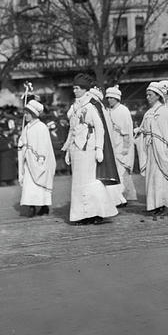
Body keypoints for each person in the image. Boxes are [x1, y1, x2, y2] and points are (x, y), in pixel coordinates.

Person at [61, 77, 118, 226]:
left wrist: (99, 148)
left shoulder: (91, 105)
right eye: (73, 88)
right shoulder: (74, 107)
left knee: (90, 182)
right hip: (76, 149)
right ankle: (82, 215)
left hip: (89, 148)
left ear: (85, 89)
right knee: (78, 183)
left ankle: (97, 213)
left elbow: (100, 128)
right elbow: (72, 130)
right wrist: (68, 149)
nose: (74, 91)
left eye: (77, 88)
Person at [137, 82, 168, 218]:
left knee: (163, 178)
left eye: (150, 95)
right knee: (153, 177)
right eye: (147, 94)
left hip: (162, 151)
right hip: (151, 150)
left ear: (158, 96)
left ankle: (167, 205)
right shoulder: (148, 113)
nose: (147, 97)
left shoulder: (164, 112)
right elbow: (144, 129)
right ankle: (155, 205)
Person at [17, 99, 56, 217]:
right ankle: (31, 206)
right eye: (25, 113)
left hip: (39, 161)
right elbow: (23, 141)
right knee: (29, 186)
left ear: (34, 114)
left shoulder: (41, 127)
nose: (25, 115)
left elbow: (45, 146)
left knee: (40, 185)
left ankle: (44, 206)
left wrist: (40, 158)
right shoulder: (27, 128)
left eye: (28, 113)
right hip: (28, 161)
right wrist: (21, 145)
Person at [104, 85, 137, 205]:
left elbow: (127, 131)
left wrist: (125, 148)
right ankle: (119, 198)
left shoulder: (123, 110)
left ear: (117, 98)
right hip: (112, 145)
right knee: (115, 173)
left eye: (112, 97)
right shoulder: (108, 111)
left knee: (121, 173)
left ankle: (119, 198)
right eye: (108, 97)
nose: (109, 100)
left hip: (122, 146)